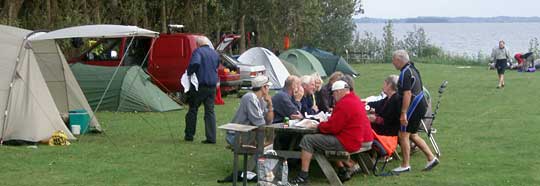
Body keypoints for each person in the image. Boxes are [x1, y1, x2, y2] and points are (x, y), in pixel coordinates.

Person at [289, 80, 373, 184]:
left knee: (308, 139)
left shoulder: (343, 104)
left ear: (338, 92)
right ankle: (342, 170)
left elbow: (333, 128)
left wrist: (318, 125)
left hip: (349, 141)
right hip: (357, 138)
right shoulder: (354, 99)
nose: (333, 96)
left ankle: (303, 175)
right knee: (324, 140)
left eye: (333, 94)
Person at [391, 50, 439, 173]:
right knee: (412, 134)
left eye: (393, 60)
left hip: (414, 106)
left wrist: (403, 113)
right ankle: (431, 158)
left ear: (399, 60)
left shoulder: (406, 73)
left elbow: (407, 93)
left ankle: (405, 165)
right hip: (421, 104)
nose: (393, 63)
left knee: (403, 134)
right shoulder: (412, 69)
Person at [184, 36, 220, 144]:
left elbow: (195, 63)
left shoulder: (198, 52)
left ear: (198, 44)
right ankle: (211, 137)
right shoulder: (214, 53)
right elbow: (217, 65)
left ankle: (189, 135)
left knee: (193, 109)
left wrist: (189, 72)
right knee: (210, 111)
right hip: (212, 86)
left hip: (200, 86)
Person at [226, 75, 274, 145]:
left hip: (247, 134)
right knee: (270, 139)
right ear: (263, 88)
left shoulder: (261, 100)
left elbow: (269, 121)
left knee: (272, 139)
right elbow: (260, 123)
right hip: (236, 135)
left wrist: (270, 105)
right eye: (268, 86)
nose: (269, 89)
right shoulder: (250, 98)